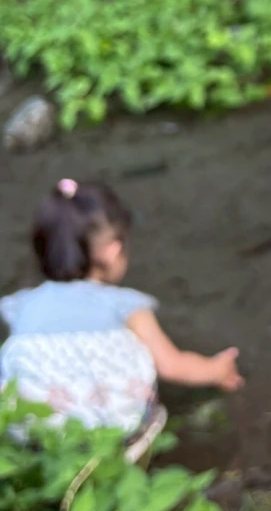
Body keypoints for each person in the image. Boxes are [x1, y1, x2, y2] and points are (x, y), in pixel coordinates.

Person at [0, 178, 243, 444]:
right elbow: (172, 366)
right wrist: (218, 369)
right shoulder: (125, 305)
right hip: (112, 437)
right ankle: (126, 452)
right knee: (147, 399)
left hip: (36, 440)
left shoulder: (21, 306)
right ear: (114, 251)